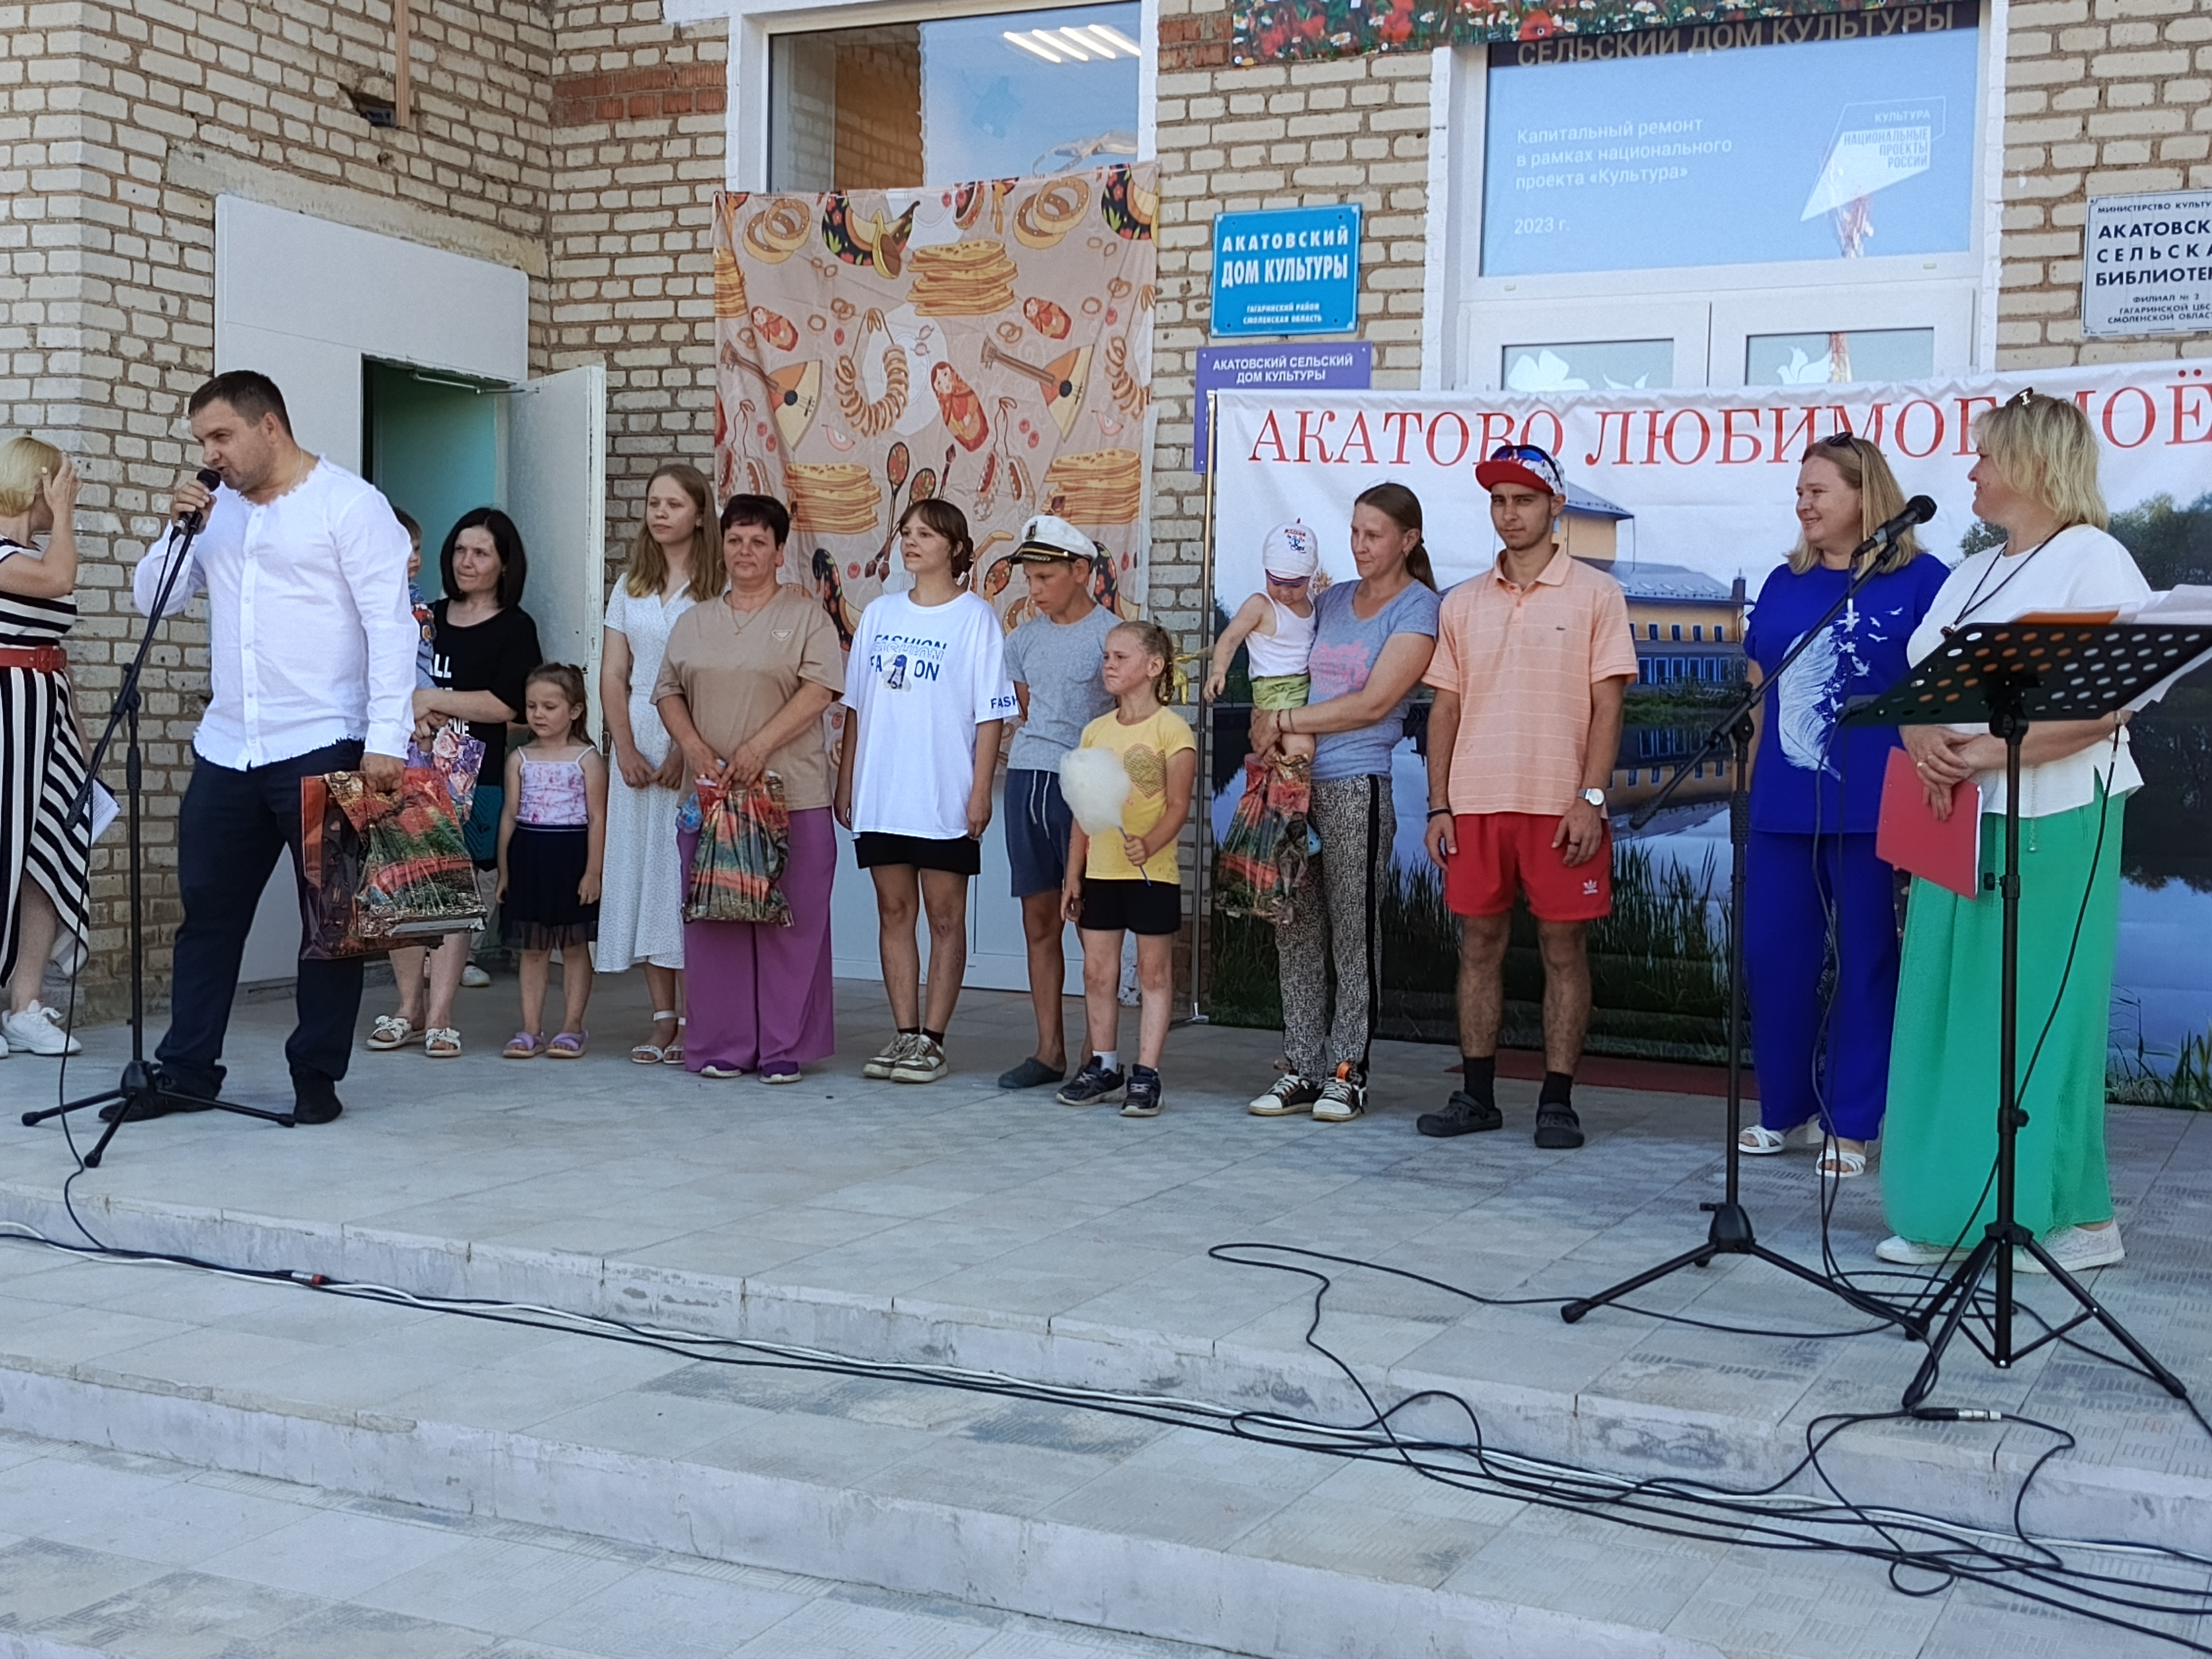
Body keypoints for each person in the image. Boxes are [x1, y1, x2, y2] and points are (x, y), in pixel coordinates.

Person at [1878, 391, 2151, 1276]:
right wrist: (1919, 733)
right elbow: (1920, 683)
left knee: (2037, 1016)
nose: (1972, 471)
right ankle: (1949, 1210)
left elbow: (2109, 706)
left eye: (1987, 456)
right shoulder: (1972, 572)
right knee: (1951, 1011)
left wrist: (1989, 753)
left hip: (2055, 813)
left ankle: (2074, 1218)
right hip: (1954, 816)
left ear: (2034, 464)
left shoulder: (2094, 560)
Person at [130, 371, 416, 1124]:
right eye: (203, 441)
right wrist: (177, 530)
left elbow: (391, 627)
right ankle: (186, 1071)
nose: (210, 454)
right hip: (229, 745)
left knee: (331, 925)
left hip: (325, 739)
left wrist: (387, 739)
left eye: (221, 437)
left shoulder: (349, 504)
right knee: (207, 916)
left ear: (270, 428)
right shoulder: (215, 512)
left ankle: (316, 1075)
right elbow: (152, 597)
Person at [1736, 435, 1948, 1179]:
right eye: (1800, 492)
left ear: (1867, 497)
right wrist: (1751, 790)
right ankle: (1784, 1110)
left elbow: (1943, 692)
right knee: (1772, 957)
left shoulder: (1923, 581)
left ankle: (1853, 1124)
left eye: (1818, 491)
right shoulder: (1782, 582)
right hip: (1782, 803)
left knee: (1866, 961)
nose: (1803, 504)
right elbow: (1760, 694)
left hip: (1877, 804)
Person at [1415, 446, 1636, 1149]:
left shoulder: (1596, 594)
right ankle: (1476, 1096)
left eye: (1524, 500)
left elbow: (1608, 706)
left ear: (1554, 507)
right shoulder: (1461, 601)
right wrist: (1438, 804)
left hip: (1559, 803)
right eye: (1498, 501)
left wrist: (1590, 798)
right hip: (1476, 803)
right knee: (1478, 945)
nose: (1508, 514)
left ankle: (1557, 1102)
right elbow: (1445, 709)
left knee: (1562, 948)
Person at [1246, 483, 1440, 1124]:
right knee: (1294, 925)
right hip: (1292, 782)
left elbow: (1373, 703)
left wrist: (1284, 719)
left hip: (1356, 783)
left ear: (1407, 540)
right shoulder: (1327, 600)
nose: (1359, 545)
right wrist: (1265, 720)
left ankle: (1346, 1073)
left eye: (1373, 534)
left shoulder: (1417, 608)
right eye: (1354, 532)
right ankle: (1301, 1066)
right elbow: (1278, 664)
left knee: (1352, 932)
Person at [656, 493, 845, 1081]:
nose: (745, 551)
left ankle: (783, 1047)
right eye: (735, 540)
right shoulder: (694, 622)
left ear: (779, 552)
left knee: (792, 922)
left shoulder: (807, 617)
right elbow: (668, 691)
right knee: (718, 921)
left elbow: (820, 690)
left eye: (759, 541)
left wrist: (759, 747)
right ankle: (722, 1044)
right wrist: (692, 747)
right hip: (710, 798)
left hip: (790, 796)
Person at [835, 497, 1017, 1086]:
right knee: (894, 912)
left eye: (926, 534)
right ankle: (904, 1031)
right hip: (884, 792)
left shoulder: (975, 619)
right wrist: (847, 779)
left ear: (955, 548)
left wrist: (980, 790)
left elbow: (991, 714)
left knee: (943, 916)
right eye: (906, 532)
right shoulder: (880, 614)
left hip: (943, 793)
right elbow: (856, 705)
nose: (911, 542)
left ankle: (933, 1039)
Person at [368, 509, 540, 1060]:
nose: (467, 561)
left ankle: (440, 1015)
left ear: (504, 564)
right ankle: (407, 1008)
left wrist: (431, 699)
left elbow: (508, 704)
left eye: (481, 553)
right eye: (461, 550)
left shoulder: (515, 627)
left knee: (450, 894)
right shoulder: (427, 614)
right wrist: (414, 709)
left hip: (472, 777)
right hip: (405, 766)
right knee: (401, 887)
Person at [599, 463, 719, 1066]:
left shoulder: (718, 585)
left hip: (696, 736)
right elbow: (613, 673)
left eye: (674, 504)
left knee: (682, 877)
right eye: (653, 503)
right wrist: (623, 746)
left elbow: (715, 678)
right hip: (637, 739)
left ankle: (698, 1017)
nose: (660, 513)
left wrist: (684, 749)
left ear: (699, 514)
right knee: (643, 874)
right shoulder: (631, 585)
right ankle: (661, 1019)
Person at [1055, 620, 1196, 1118]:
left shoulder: (1172, 731)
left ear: (1154, 666)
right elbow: (1083, 812)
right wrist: (1074, 874)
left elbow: (1178, 804)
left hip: (1152, 874)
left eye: (1121, 657)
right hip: (1102, 871)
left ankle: (1147, 1072)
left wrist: (1150, 843)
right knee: (1097, 971)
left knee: (1154, 971)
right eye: (1106, 657)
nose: (1109, 665)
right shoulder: (1096, 731)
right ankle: (1104, 1064)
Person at [996, 513, 1115, 1090]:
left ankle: (1099, 1052)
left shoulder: (1112, 637)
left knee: (1092, 921)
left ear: (1080, 571)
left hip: (1086, 786)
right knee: (1037, 918)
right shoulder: (1022, 640)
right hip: (1027, 779)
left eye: (1045, 577)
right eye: (1030, 579)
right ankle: (1049, 1051)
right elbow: (1027, 707)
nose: (1035, 589)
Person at [0, 436, 90, 1059]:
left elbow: (54, 653)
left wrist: (79, 736)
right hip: (7, 714)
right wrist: (65, 515)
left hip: (45, 710)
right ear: (38, 483)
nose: (70, 489)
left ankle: (24, 1005)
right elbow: (60, 579)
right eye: (60, 481)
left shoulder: (33, 553)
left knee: (50, 852)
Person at [496, 664, 606, 1059]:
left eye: (549, 706)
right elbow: (510, 815)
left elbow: (598, 818)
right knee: (533, 948)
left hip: (572, 855)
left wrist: (593, 871)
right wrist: (505, 870)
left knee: (573, 947)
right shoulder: (519, 759)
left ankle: (573, 1026)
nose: (538, 714)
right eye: (532, 706)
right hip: (530, 855)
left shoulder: (588, 760)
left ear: (575, 711)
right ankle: (531, 1029)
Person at [1206, 521, 1321, 766]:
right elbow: (1231, 637)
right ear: (1266, 571)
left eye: (1295, 585)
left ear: (1310, 577)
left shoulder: (1313, 600)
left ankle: (1270, 769)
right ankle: (1283, 783)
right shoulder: (1260, 604)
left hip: (1307, 688)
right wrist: (1218, 671)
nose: (1285, 592)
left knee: (1286, 748)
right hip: (1274, 689)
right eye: (1277, 582)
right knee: (1300, 747)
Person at [394, 507, 436, 690]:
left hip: (426, 663)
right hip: (409, 669)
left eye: (417, 549)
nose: (415, 559)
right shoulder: (389, 595)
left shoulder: (413, 590)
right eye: (405, 551)